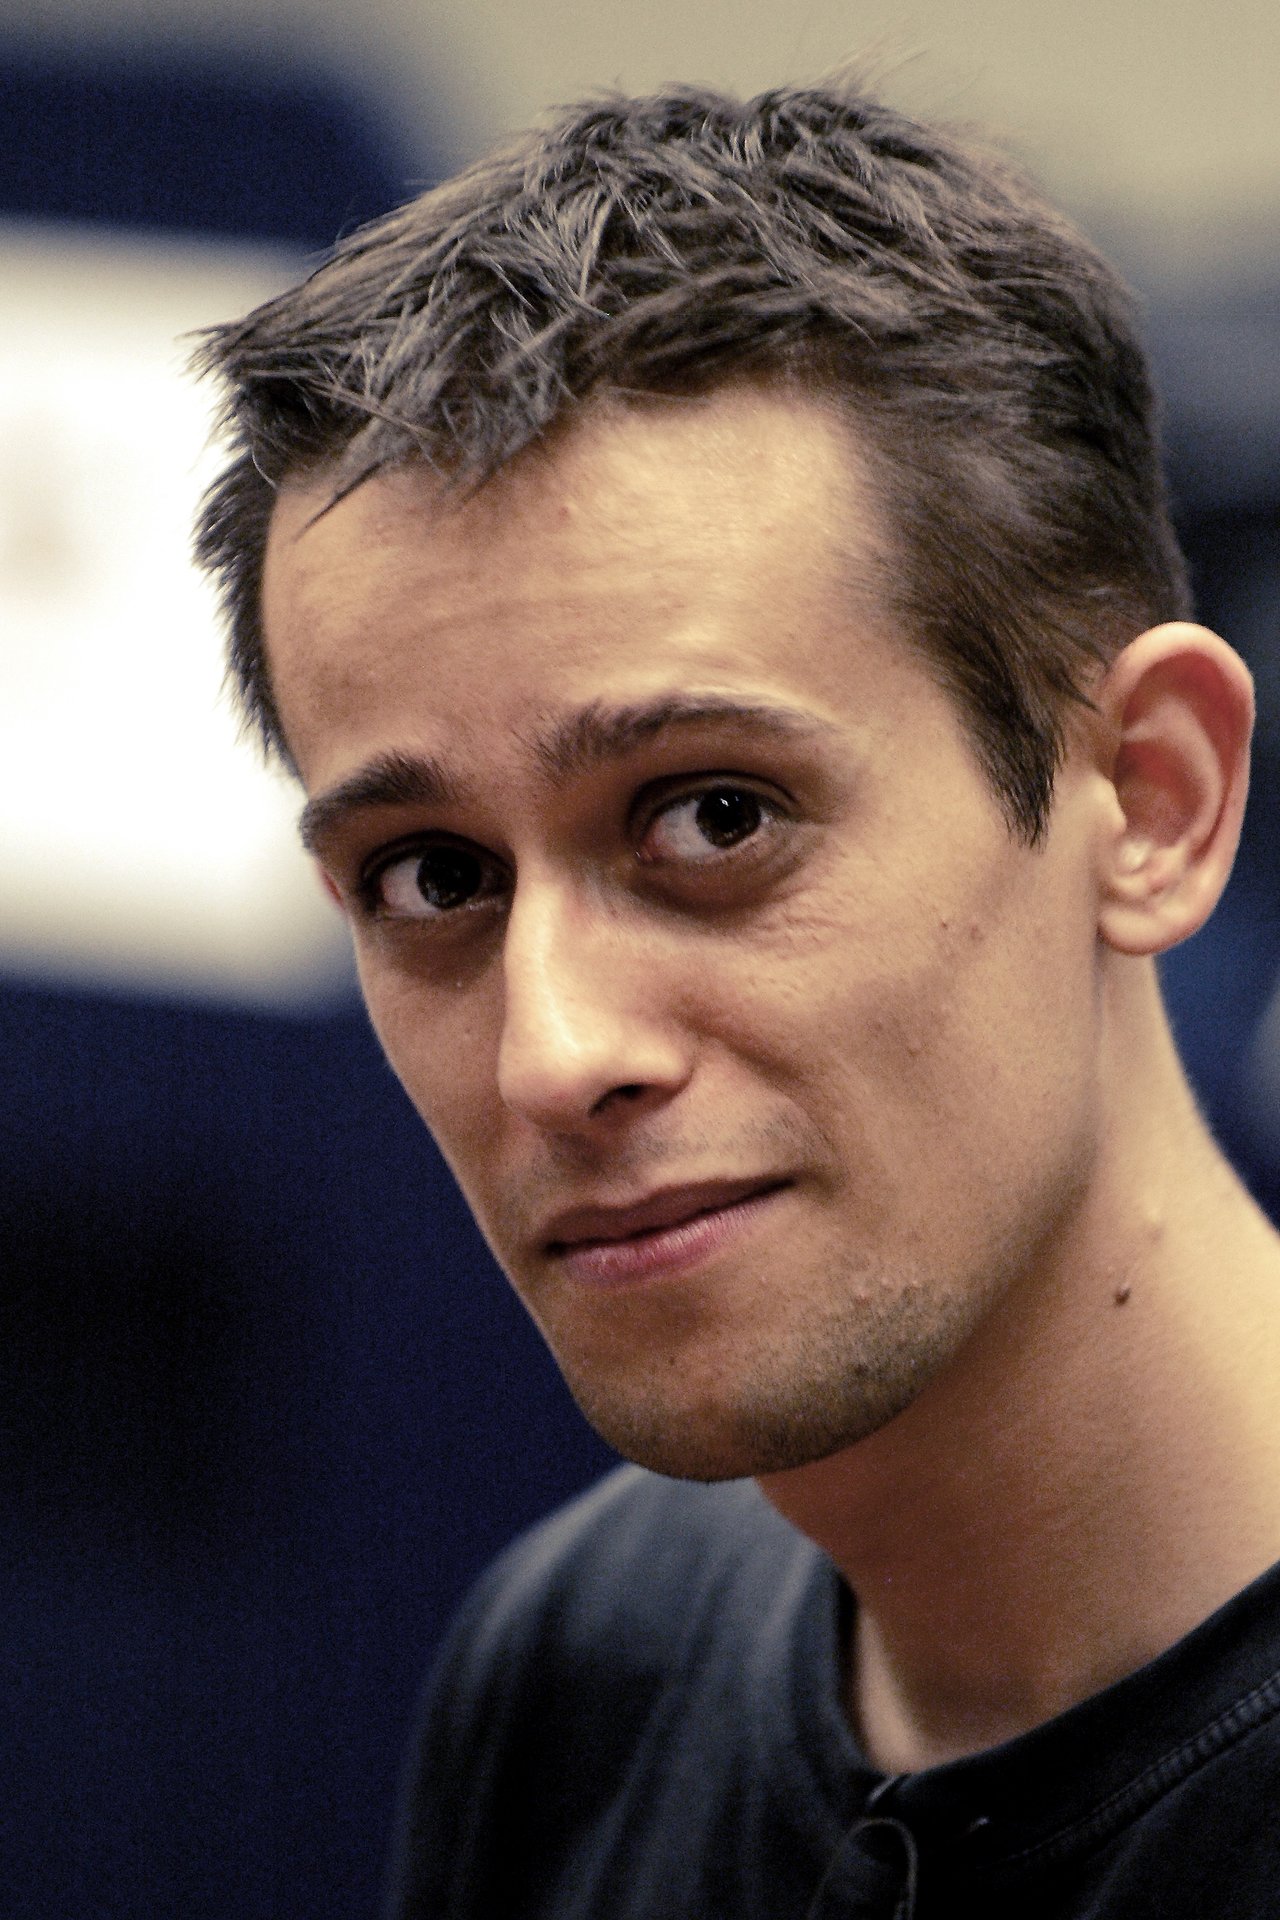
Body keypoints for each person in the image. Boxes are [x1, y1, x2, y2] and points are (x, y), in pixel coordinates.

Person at [193, 80, 1280, 1919]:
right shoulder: (581, 1666)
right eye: (433, 878)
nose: (557, 1053)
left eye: (715, 817)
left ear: (1148, 801)